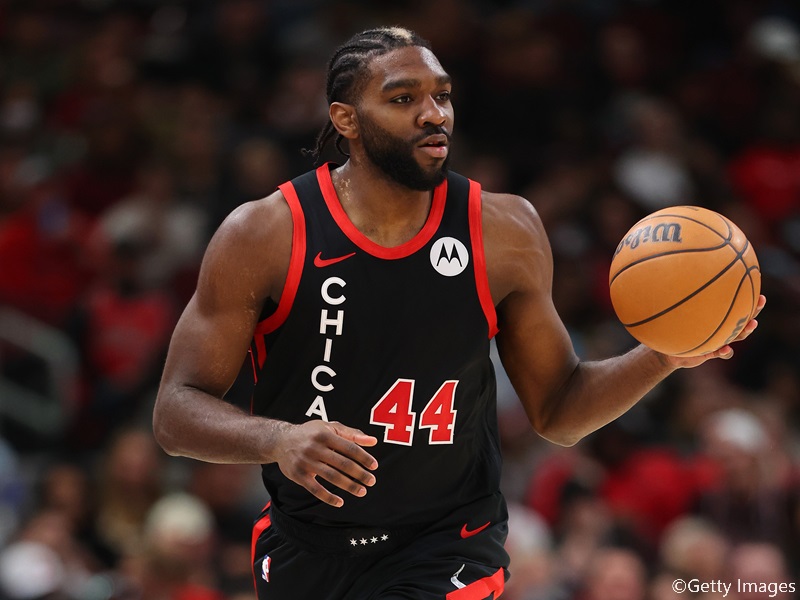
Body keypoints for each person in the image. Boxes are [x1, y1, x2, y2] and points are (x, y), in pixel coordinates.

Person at [152, 26, 765, 600]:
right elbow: (175, 411)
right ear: (346, 120)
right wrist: (279, 439)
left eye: (442, 95)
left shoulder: (504, 231)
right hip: (307, 544)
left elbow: (560, 411)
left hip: (449, 541)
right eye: (403, 98)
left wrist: (662, 356)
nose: (433, 114)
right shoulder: (265, 234)